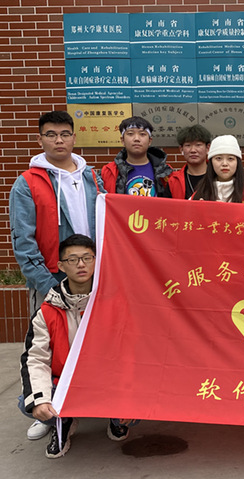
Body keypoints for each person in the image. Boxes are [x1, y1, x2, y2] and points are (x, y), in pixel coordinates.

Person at [9, 110, 103, 441]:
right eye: (51, 134)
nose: (59, 140)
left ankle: (97, 405)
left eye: (65, 134)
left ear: (74, 137)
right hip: (51, 278)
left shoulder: (92, 178)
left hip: (94, 276)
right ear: (40, 140)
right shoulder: (27, 183)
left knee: (96, 342)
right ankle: (48, 410)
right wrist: (50, 286)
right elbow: (23, 241)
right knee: (48, 347)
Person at [19, 235, 135, 459]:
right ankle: (63, 421)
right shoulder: (47, 311)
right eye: (72, 259)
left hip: (108, 380)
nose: (81, 264)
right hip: (66, 382)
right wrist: (41, 400)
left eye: (87, 258)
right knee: (29, 401)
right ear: (61, 266)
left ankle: (116, 418)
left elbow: (133, 352)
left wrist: (130, 396)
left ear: (96, 261)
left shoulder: (117, 304)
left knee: (137, 406)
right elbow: (35, 358)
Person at [101, 116, 172, 196]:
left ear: (150, 141)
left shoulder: (165, 172)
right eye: (130, 134)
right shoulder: (108, 172)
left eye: (142, 134)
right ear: (122, 140)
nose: (136, 139)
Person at [192, 135, 244, 204]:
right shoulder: (199, 194)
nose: (224, 164)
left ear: (237, 162)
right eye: (219, 158)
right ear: (211, 162)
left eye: (230, 159)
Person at [162, 124, 211, 199]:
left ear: (207, 148)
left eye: (198, 145)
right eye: (188, 145)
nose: (193, 150)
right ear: (181, 149)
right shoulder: (174, 180)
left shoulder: (217, 177)